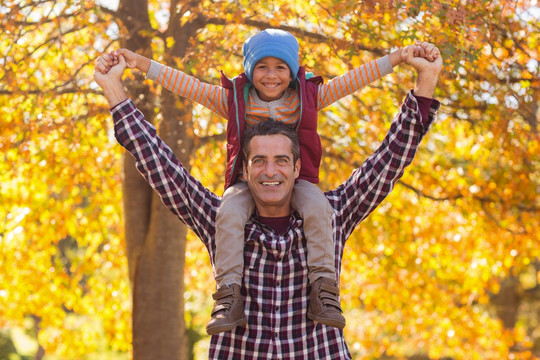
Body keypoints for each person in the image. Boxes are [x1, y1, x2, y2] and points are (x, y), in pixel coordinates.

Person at [94, 37, 442, 359]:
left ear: (296, 168)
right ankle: (229, 298)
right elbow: (159, 163)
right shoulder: (220, 219)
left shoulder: (332, 214)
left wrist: (424, 81)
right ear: (244, 170)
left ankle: (324, 292)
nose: (270, 171)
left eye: (281, 161)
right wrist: (114, 89)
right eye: (259, 161)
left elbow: (390, 159)